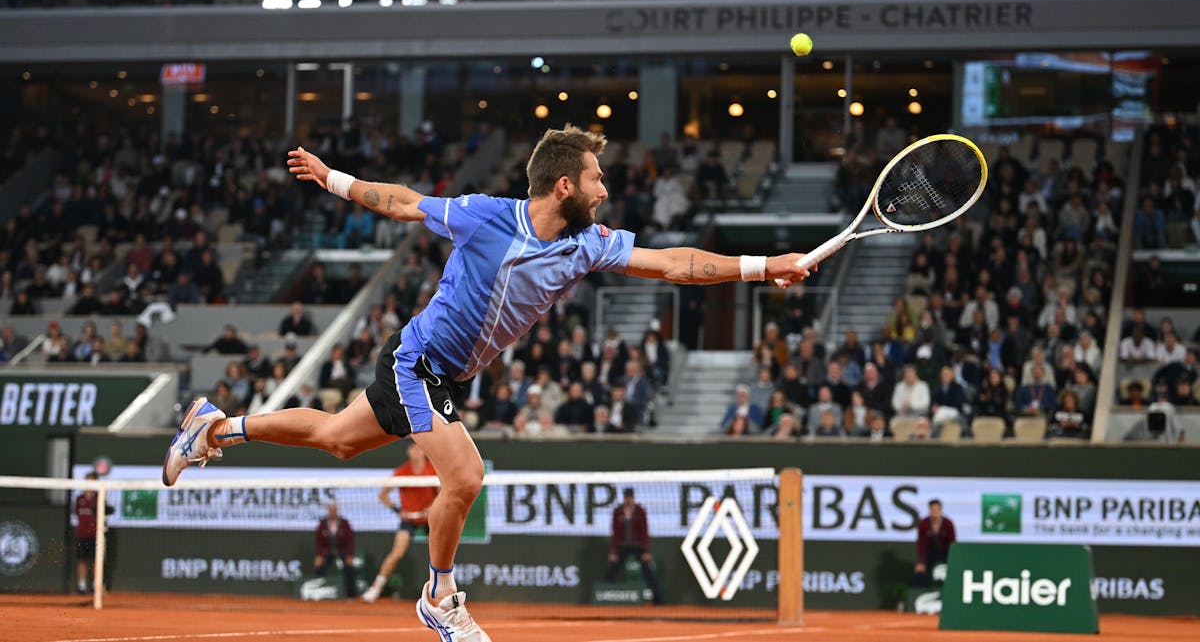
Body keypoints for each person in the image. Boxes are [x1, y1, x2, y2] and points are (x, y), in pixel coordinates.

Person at [161, 126, 813, 641]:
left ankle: (215, 425)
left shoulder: (588, 243)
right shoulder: (486, 216)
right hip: (418, 359)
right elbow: (405, 203)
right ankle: (439, 597)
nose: (605, 189)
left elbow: (676, 264)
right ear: (564, 186)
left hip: (447, 372)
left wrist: (761, 267)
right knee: (466, 476)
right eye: (596, 178)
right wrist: (332, 178)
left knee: (337, 438)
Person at [362, 444, 439, 603]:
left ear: (424, 452)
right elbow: (383, 495)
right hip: (408, 519)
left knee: (440, 554)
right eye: (412, 449)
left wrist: (432, 507)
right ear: (408, 452)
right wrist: (398, 510)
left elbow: (442, 493)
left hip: (429, 519)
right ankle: (375, 589)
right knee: (397, 553)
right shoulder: (402, 472)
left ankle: (442, 592)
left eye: (419, 449)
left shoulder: (432, 470)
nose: (416, 451)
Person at [605, 488, 663, 605]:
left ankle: (657, 600)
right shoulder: (617, 511)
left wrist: (646, 551)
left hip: (638, 547)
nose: (628, 499)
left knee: (648, 571)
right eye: (626, 497)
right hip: (622, 547)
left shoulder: (640, 511)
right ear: (624, 497)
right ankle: (603, 596)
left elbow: (644, 531)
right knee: (612, 569)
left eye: (630, 497)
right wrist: (613, 551)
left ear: (633, 498)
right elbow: (615, 532)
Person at [72, 472, 112, 594]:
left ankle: (97, 586)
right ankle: (82, 586)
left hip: (96, 535)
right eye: (87, 481)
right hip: (82, 534)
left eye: (91, 481)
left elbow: (107, 511)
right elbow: (76, 516)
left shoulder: (99, 498)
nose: (89, 484)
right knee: (82, 560)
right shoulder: (79, 499)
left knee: (96, 561)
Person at [314, 501, 358, 599]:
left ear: (337, 511)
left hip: (342, 552)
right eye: (330, 510)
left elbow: (350, 541)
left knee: (349, 568)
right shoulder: (322, 523)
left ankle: (351, 595)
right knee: (320, 567)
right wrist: (319, 555)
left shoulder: (345, 523)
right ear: (328, 511)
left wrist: (350, 555)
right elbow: (318, 541)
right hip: (327, 552)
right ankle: (319, 593)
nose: (332, 512)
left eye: (334, 510)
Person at [912, 499, 956, 588]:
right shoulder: (923, 524)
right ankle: (920, 593)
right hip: (930, 553)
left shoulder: (948, 523)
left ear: (940, 510)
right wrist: (921, 561)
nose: (935, 512)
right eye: (932, 509)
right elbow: (921, 544)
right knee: (920, 571)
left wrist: (952, 560)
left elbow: (952, 542)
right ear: (930, 510)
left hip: (945, 553)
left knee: (951, 571)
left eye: (937, 509)